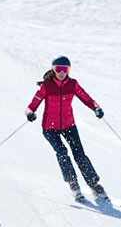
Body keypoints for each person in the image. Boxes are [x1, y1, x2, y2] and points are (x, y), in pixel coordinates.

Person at [25, 55, 109, 203]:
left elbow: (87, 99)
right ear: (53, 69)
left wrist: (96, 108)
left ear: (69, 70)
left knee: (80, 154)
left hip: (69, 126)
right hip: (50, 128)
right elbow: (31, 106)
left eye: (65, 69)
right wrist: (30, 114)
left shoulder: (73, 84)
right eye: (58, 69)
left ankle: (94, 184)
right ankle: (73, 183)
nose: (62, 72)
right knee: (62, 152)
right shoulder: (46, 86)